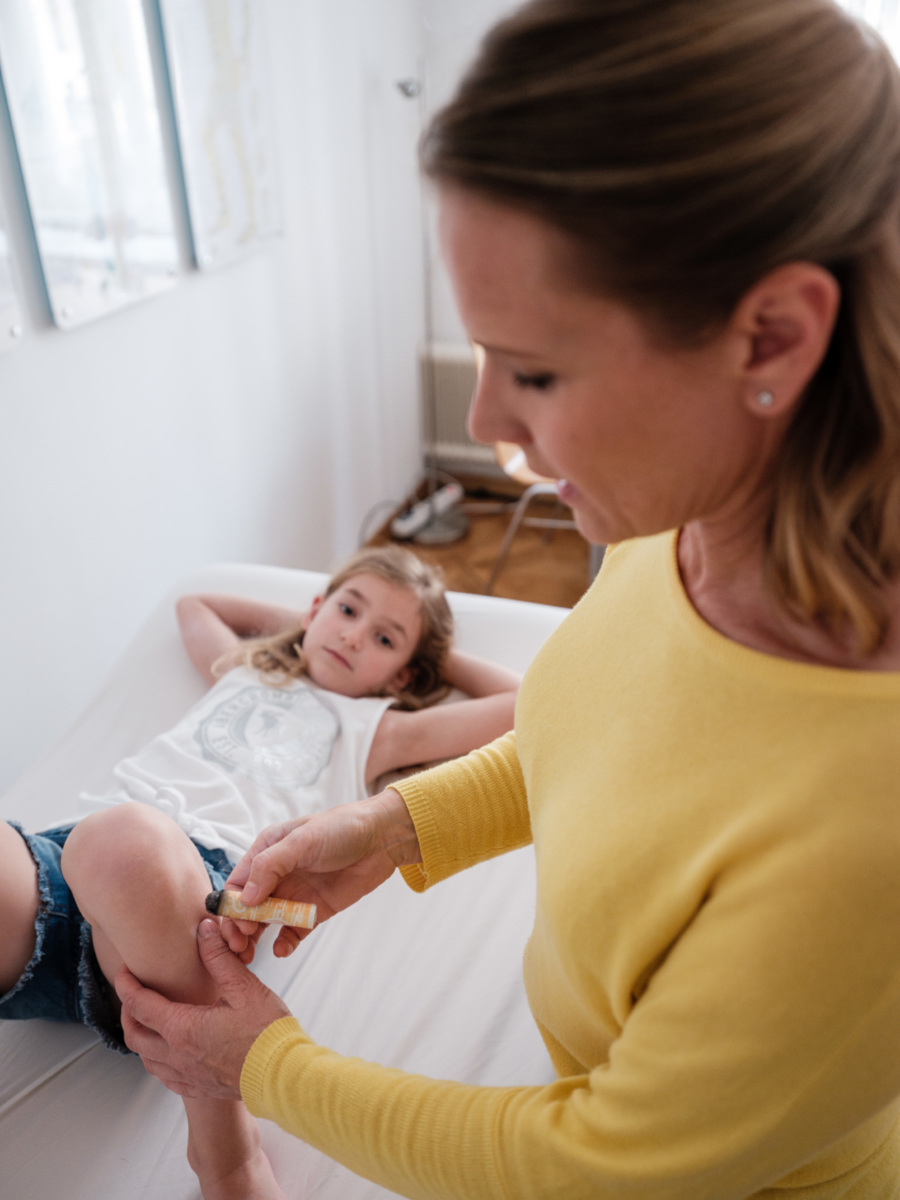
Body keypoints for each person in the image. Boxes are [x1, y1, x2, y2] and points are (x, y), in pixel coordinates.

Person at [115, 1, 900, 1196]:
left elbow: (600, 1164)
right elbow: (604, 740)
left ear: (773, 340)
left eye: (533, 370)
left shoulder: (868, 831)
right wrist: (395, 828)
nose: (487, 425)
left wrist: (259, 1067)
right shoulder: (678, 520)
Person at [0, 545, 521, 1200]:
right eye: (348, 610)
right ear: (314, 609)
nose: (353, 636)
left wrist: (435, 661)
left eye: (384, 638)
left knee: (126, 841)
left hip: (190, 897)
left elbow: (523, 702)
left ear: (401, 676)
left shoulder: (374, 727)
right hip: (60, 870)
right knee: (103, 839)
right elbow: (195, 603)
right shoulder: (244, 672)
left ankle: (227, 1156)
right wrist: (311, 623)